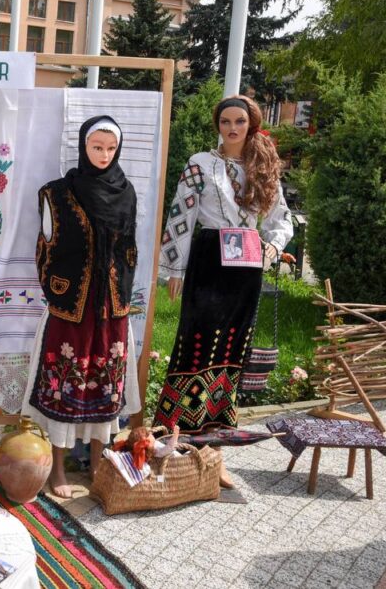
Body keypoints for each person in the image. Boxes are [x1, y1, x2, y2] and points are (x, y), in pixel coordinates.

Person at [154, 94, 295, 488]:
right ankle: (173, 442)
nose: (232, 129)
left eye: (239, 122)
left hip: (247, 269)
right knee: (193, 349)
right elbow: (182, 214)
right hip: (209, 263)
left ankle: (214, 455)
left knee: (231, 356)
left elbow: (282, 218)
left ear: (250, 125)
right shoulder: (201, 163)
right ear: (218, 125)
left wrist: (272, 246)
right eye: (225, 122)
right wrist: (174, 267)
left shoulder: (263, 167)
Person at [24, 116, 138, 498]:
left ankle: (99, 463)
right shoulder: (55, 195)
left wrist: (120, 293)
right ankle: (58, 469)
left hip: (111, 309)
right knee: (64, 384)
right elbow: (44, 247)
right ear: (83, 147)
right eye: (96, 147)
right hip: (71, 307)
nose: (104, 154)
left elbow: (129, 251)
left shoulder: (127, 193)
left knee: (106, 385)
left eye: (110, 147)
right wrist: (57, 291)